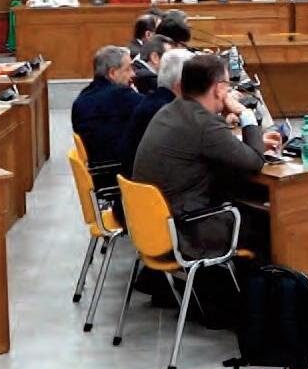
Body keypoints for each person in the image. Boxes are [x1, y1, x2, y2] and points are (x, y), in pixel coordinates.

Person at [132, 54, 283, 260]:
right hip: (185, 232)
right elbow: (255, 162)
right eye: (227, 85)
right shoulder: (203, 124)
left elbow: (207, 147)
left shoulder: (169, 111)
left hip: (151, 227)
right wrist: (245, 114)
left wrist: (247, 144)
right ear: (219, 88)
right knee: (272, 223)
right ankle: (259, 280)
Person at [71, 46, 142, 207]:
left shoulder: (82, 98)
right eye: (128, 69)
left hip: (100, 174)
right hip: (119, 178)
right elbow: (156, 109)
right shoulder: (120, 95)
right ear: (112, 73)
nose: (133, 74)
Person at [123, 48, 193, 178]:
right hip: (156, 186)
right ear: (181, 84)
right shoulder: (169, 112)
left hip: (138, 181)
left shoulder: (152, 100)